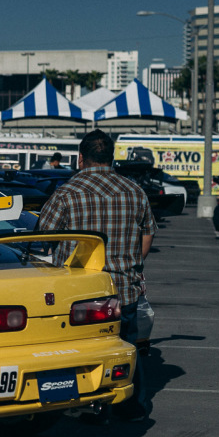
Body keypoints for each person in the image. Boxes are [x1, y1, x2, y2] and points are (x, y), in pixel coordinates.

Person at [37, 129, 156, 421]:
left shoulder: (67, 192)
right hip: (123, 288)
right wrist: (132, 266)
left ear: (81, 158)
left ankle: (87, 405)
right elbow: (148, 234)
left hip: (79, 294)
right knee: (126, 347)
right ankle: (130, 407)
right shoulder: (134, 191)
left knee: (81, 352)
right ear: (111, 158)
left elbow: (44, 236)